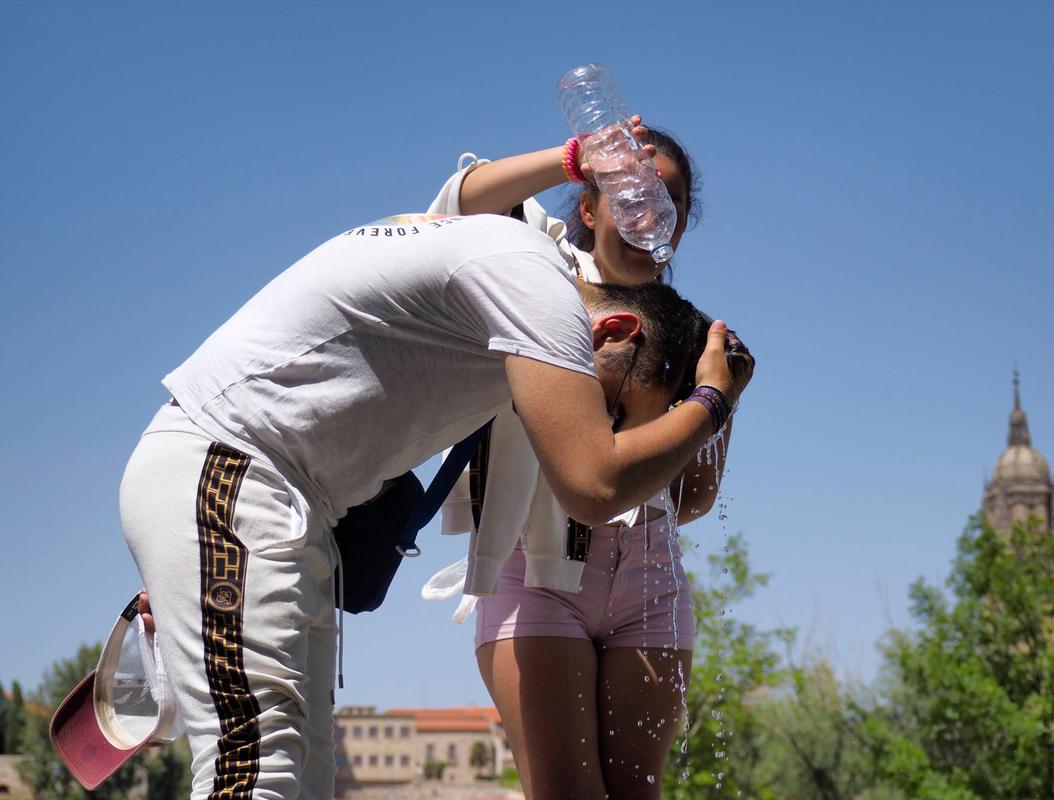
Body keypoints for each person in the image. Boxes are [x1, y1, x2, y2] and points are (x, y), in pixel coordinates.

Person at [119, 210, 752, 800]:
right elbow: (593, 488)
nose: (601, 425)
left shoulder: (504, 303)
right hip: (234, 475)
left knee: (303, 775)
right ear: (614, 330)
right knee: (256, 767)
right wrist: (712, 403)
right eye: (615, 408)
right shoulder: (529, 279)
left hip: (272, 501)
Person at [427, 122, 736, 798]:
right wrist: (574, 157)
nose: (647, 213)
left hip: (652, 576)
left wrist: (719, 402)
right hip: (535, 568)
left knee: (636, 792)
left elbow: (691, 500)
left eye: (667, 203)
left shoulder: (694, 330)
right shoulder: (534, 266)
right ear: (589, 207)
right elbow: (455, 207)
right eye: (628, 192)